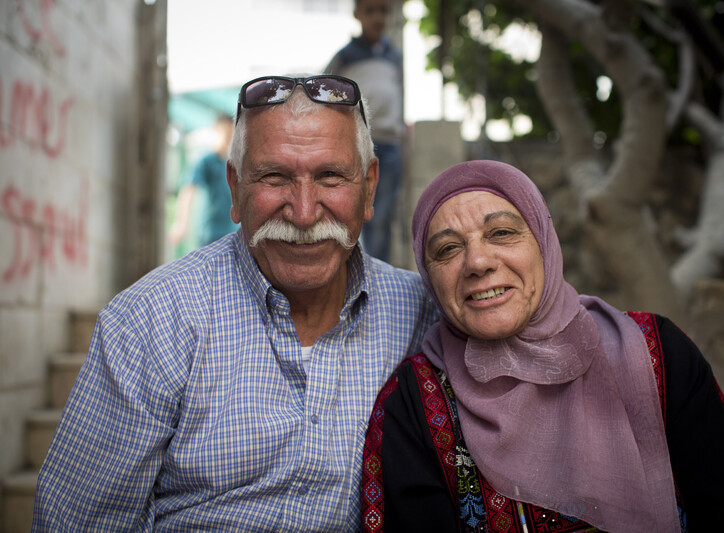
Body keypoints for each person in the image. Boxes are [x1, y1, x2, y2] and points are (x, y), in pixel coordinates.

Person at [32, 75, 437, 532]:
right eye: (274, 177)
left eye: (330, 176)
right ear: (234, 188)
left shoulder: (421, 314)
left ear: (368, 188)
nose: (304, 213)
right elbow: (82, 522)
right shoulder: (148, 322)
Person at [362, 160, 724, 533]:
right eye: (447, 249)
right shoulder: (415, 402)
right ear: (430, 279)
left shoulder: (653, 353)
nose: (478, 262)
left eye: (501, 232)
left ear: (543, 242)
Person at [326, 0, 404, 264]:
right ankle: (346, 268)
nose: (377, 17)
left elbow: (400, 99)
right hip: (356, 144)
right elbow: (324, 94)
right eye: (371, 11)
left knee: (381, 214)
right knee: (349, 209)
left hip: (390, 145)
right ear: (358, 14)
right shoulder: (345, 56)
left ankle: (375, 270)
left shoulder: (394, 57)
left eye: (383, 11)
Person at [169, 113, 239, 250]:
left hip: (232, 231)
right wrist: (181, 223)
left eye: (231, 134)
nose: (229, 138)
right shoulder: (206, 161)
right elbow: (188, 189)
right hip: (210, 231)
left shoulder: (232, 162)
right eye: (226, 133)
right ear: (217, 131)